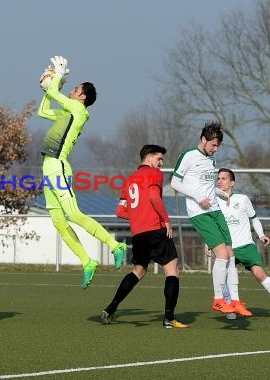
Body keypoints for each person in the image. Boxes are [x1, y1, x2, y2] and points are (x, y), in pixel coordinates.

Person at [37, 55, 127, 289]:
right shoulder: (68, 111)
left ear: (83, 97)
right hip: (47, 167)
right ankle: (87, 262)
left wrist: (56, 77)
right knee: (59, 222)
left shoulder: (79, 110)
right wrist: (51, 86)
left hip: (58, 166)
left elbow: (56, 95)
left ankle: (116, 245)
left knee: (73, 214)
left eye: (76, 88)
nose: (73, 89)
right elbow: (43, 110)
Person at [102, 145, 187, 328]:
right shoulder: (153, 173)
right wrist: (166, 220)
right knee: (172, 270)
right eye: (159, 159)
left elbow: (120, 211)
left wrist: (139, 214)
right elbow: (154, 196)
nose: (161, 163)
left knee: (138, 271)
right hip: (155, 229)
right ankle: (169, 318)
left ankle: (111, 308)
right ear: (149, 159)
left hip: (139, 233)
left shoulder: (130, 179)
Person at [170, 121, 251, 316]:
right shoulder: (188, 156)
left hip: (215, 211)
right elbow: (174, 182)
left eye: (218, 146)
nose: (215, 149)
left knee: (231, 254)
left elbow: (205, 186)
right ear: (203, 140)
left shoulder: (211, 161)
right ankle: (218, 300)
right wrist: (198, 197)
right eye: (213, 145)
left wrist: (218, 192)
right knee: (222, 254)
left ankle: (236, 301)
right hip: (200, 213)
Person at [216, 168, 270, 320]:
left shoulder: (243, 199)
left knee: (260, 274)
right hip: (226, 246)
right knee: (222, 278)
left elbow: (254, 218)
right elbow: (213, 226)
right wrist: (208, 244)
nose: (220, 181)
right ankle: (230, 306)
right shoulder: (215, 202)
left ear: (232, 183)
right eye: (218, 178)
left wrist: (261, 235)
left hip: (246, 245)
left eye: (224, 178)